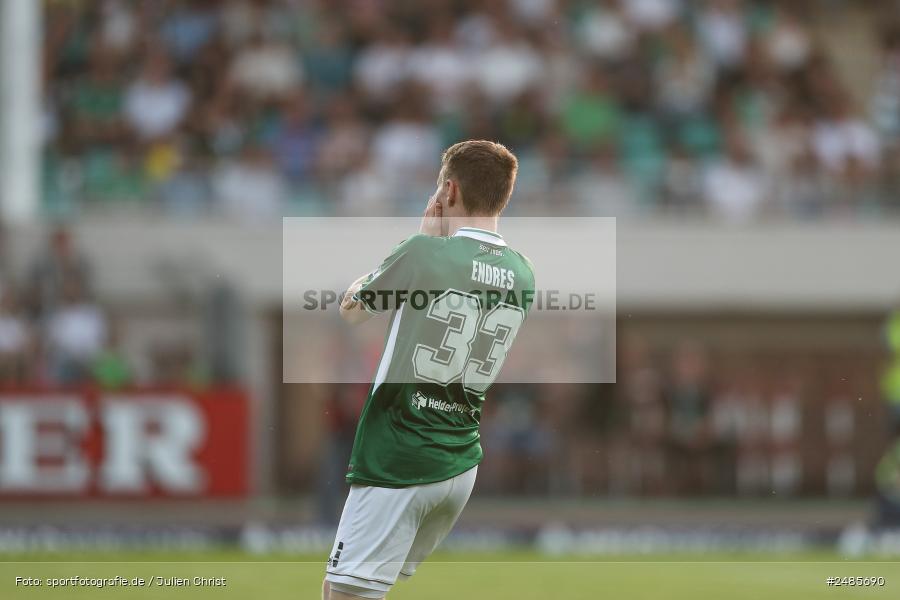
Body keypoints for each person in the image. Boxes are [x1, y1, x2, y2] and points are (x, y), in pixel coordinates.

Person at [324, 141, 536, 599]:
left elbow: (352, 311)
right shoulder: (523, 273)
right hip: (460, 460)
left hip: (399, 452)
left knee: (343, 594)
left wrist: (419, 239)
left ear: (449, 189)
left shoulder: (423, 254)